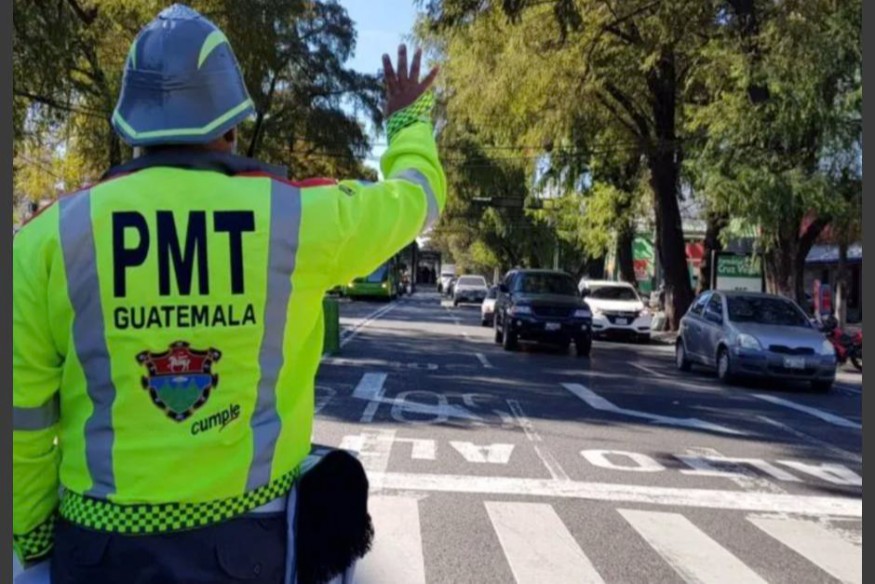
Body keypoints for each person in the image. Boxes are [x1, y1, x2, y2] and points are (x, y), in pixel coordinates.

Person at [12, 4, 445, 583]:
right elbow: (416, 200)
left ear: (128, 128)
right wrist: (408, 123)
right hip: (247, 551)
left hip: (96, 552)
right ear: (233, 126)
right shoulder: (298, 218)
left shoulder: (46, 240)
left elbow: (21, 420)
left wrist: (35, 541)